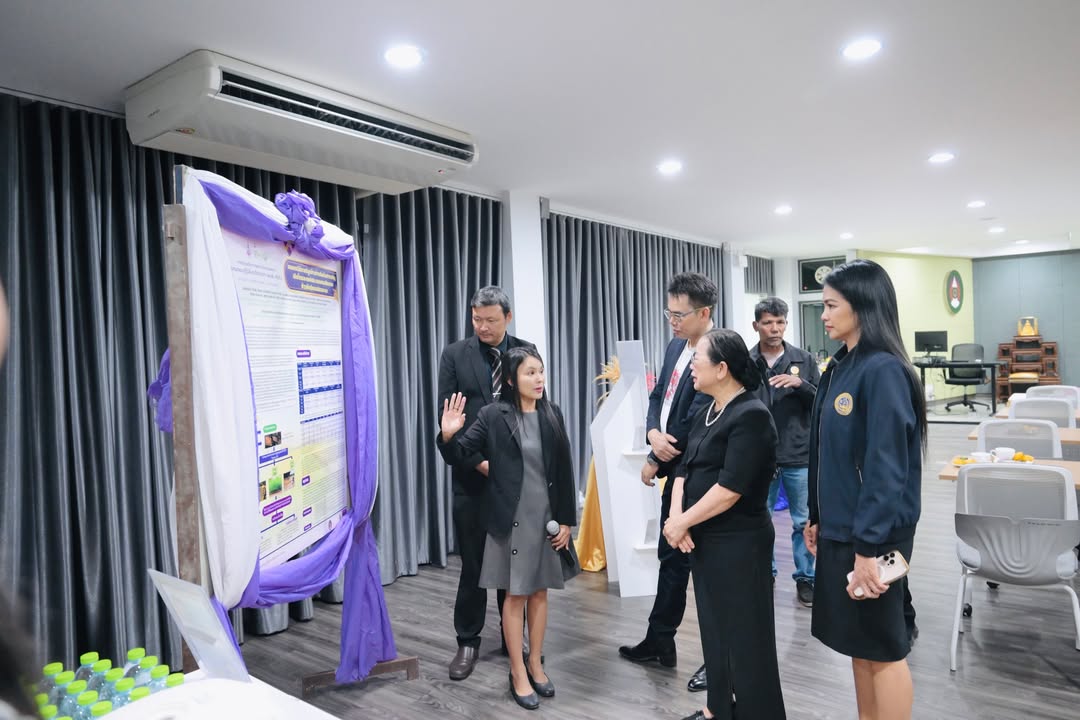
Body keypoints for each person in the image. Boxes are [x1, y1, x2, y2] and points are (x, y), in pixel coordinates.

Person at [804, 259, 926, 720]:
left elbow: (885, 468)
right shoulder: (840, 366)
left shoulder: (883, 370)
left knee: (883, 646)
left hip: (874, 535)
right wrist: (817, 516)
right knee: (859, 644)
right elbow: (828, 453)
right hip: (844, 529)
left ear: (863, 306)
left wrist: (867, 547)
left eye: (832, 305)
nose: (824, 315)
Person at [438, 347, 579, 710]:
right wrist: (449, 436)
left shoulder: (552, 413)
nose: (539, 379)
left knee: (540, 593)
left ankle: (535, 663)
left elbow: (564, 471)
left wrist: (566, 520)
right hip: (511, 520)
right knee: (516, 595)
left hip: (545, 519)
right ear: (513, 379)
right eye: (530, 373)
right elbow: (460, 456)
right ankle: (517, 671)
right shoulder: (492, 415)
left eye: (541, 371)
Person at [662, 329, 786, 720]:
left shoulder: (752, 415)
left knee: (746, 636)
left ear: (721, 368)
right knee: (714, 631)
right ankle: (717, 708)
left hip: (740, 544)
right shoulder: (706, 411)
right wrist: (676, 519)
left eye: (698, 358)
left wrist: (682, 521)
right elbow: (684, 469)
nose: (691, 366)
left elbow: (730, 489)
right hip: (706, 541)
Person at [618, 273, 715, 693]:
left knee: (707, 569)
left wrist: (656, 457)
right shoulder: (677, 345)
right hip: (674, 472)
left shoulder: (719, 350)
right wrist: (652, 433)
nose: (672, 322)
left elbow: (697, 418)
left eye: (680, 315)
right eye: (669, 313)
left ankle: (718, 659)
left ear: (704, 313)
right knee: (671, 560)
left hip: (701, 475)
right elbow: (660, 395)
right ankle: (660, 640)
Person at [436, 286, 536, 681]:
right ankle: (467, 640)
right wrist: (480, 463)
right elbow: (449, 419)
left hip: (516, 481)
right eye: (477, 319)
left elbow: (534, 410)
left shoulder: (526, 351)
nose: (482, 327)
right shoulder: (455, 355)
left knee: (512, 564)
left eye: (491, 320)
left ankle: (513, 637)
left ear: (507, 317)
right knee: (474, 565)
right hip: (471, 477)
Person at [749, 297, 819, 607]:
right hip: (760, 456)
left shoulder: (804, 359)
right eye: (768, 322)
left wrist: (800, 384)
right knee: (760, 519)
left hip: (798, 454)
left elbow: (821, 401)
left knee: (802, 521)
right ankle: (766, 572)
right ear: (756, 325)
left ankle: (806, 578)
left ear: (786, 324)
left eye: (780, 322)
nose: (774, 328)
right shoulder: (745, 361)